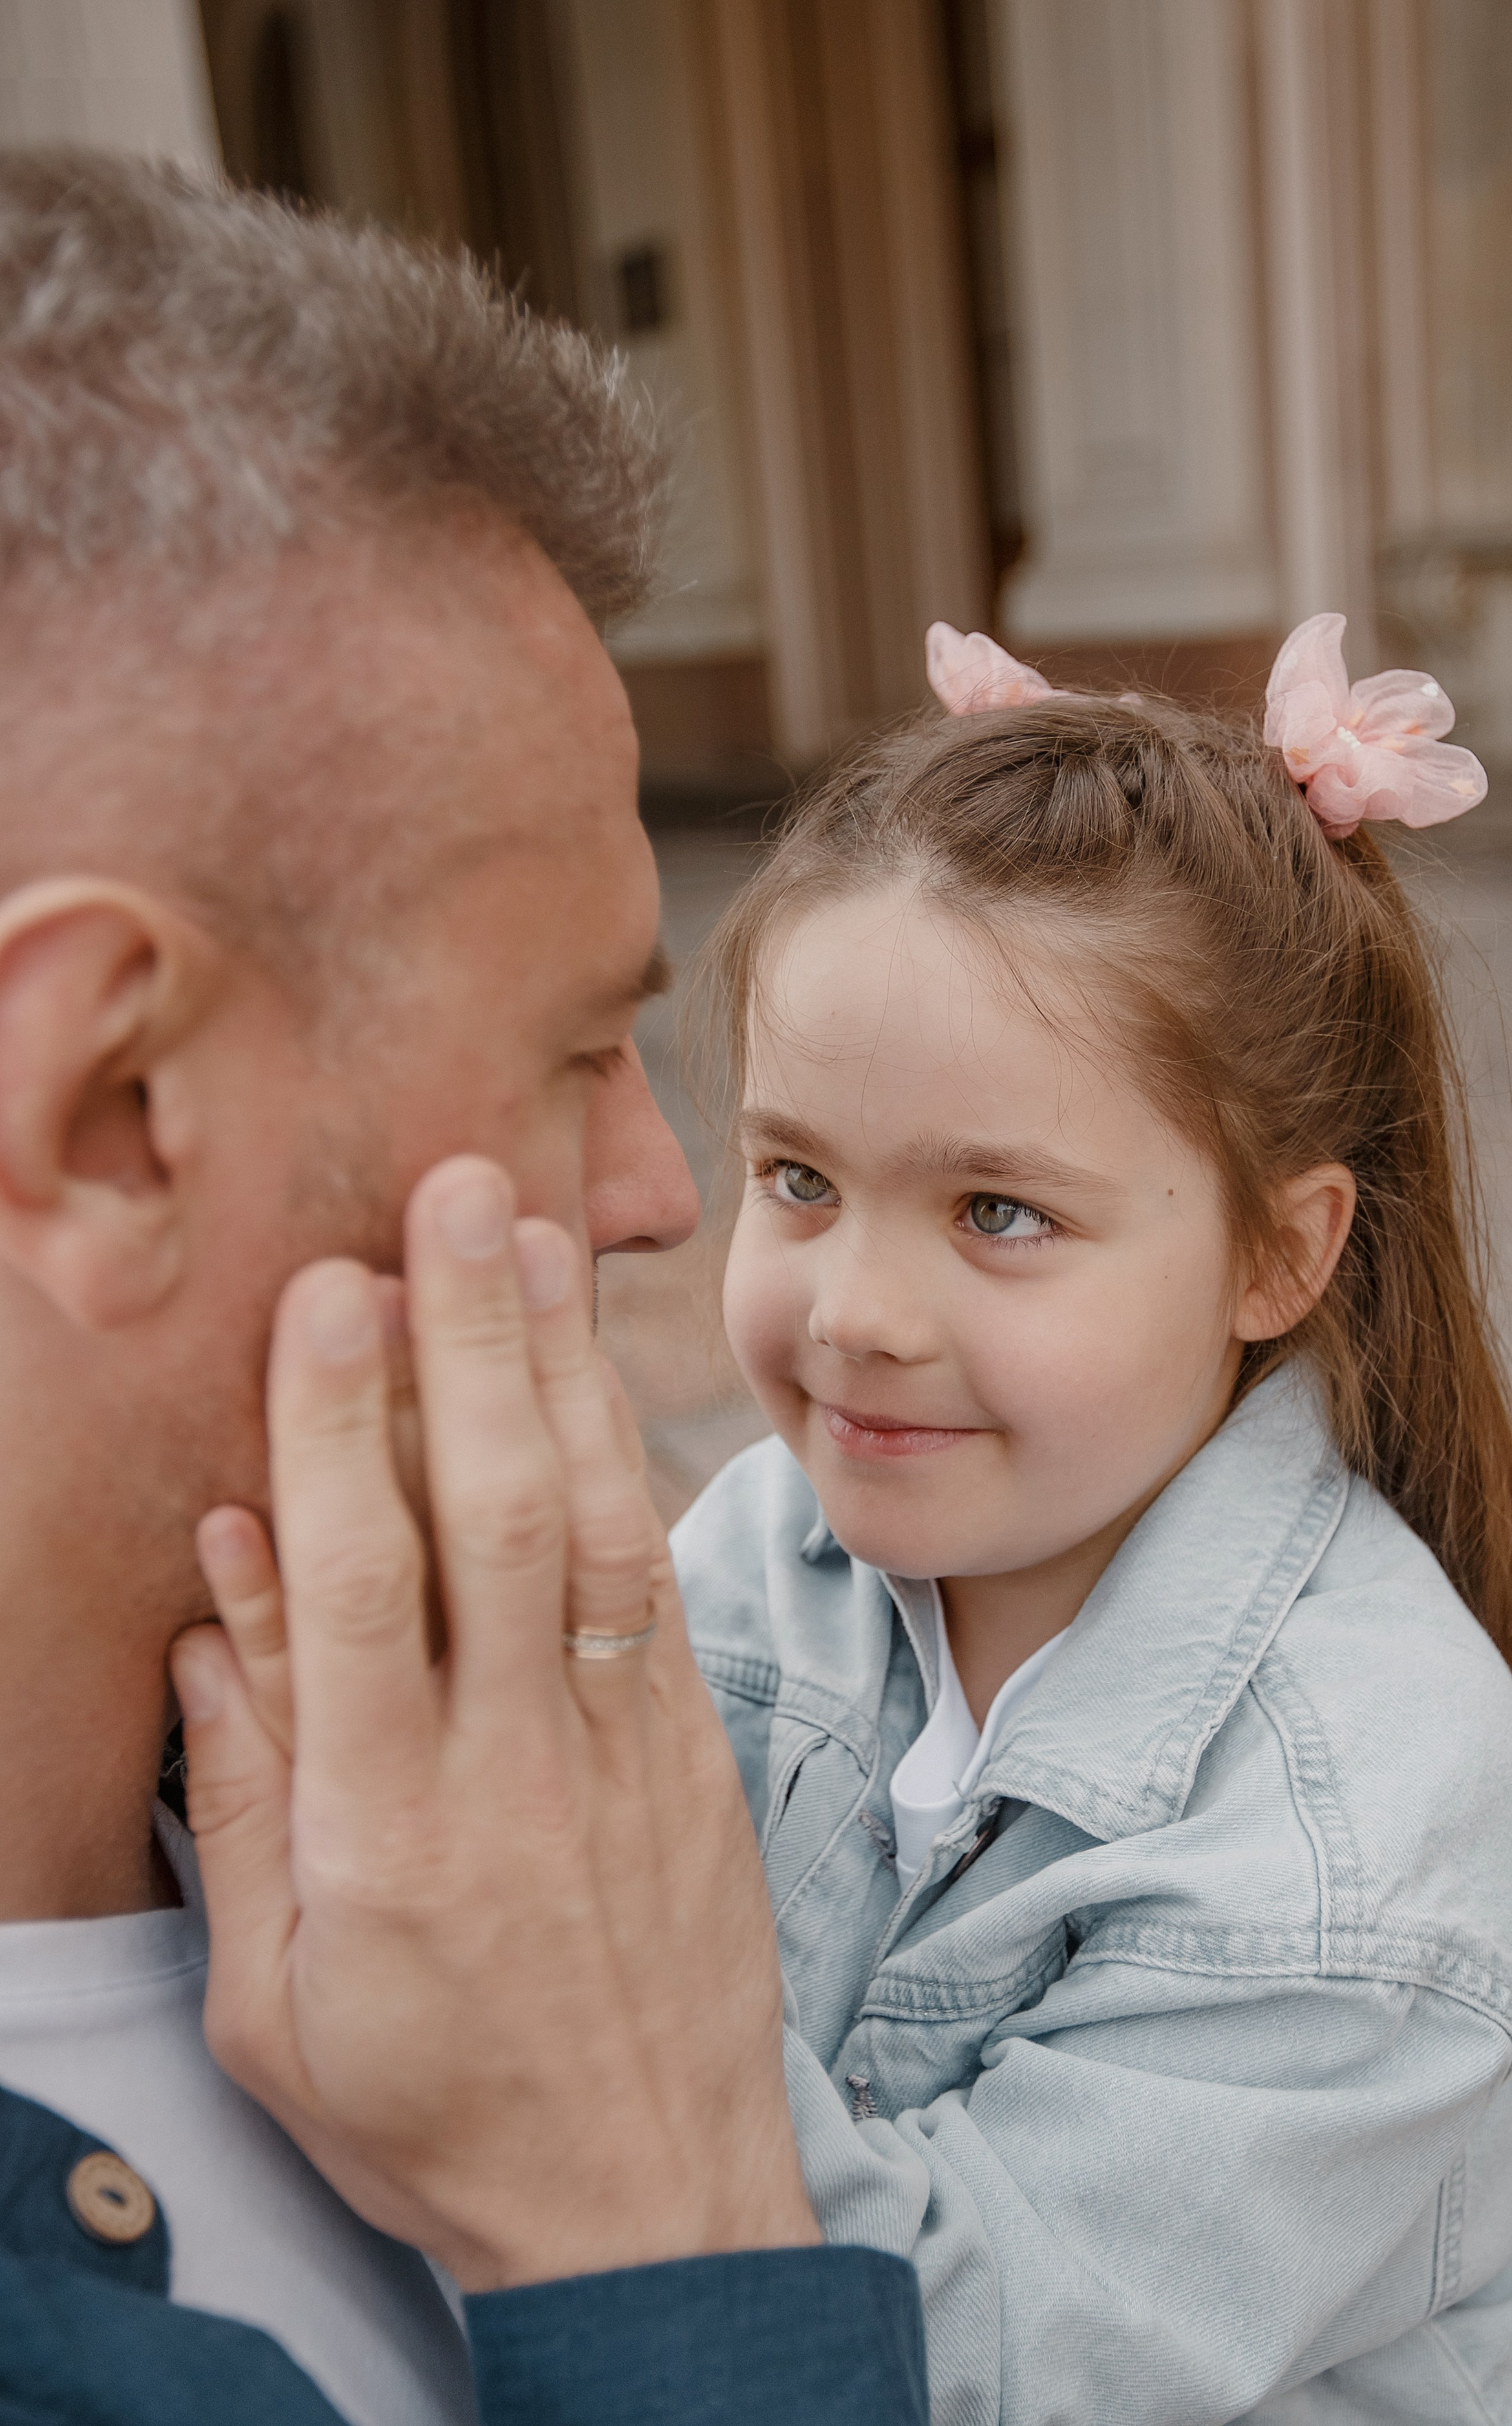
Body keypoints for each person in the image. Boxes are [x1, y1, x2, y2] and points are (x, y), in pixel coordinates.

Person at [0, 151, 926, 2426]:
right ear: (111, 1104)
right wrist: (665, 2237)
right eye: (576, 1048)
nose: (654, 1182)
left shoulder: (488, 1756)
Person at [668, 613, 1512, 2421]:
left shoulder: (1365, 1838)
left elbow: (947, 2360)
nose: (858, 1308)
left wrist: (552, 1988)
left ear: (1281, 1250)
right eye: (798, 1176)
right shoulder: (757, 1553)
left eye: (999, 1212)